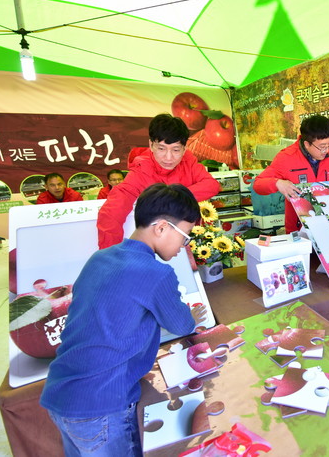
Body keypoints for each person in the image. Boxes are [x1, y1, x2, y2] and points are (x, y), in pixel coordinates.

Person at [40, 183, 207, 456]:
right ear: (161, 228)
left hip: (60, 393)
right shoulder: (155, 272)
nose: (183, 246)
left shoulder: (99, 258)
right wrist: (190, 315)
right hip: (102, 405)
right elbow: (182, 325)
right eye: (185, 236)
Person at [97, 113, 220, 249]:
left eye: (176, 150)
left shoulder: (188, 161)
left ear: (184, 148)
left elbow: (211, 185)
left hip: (190, 239)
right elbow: (111, 214)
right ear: (151, 145)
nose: (168, 158)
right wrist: (111, 254)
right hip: (157, 244)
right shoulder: (141, 170)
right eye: (161, 148)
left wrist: (171, 197)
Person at [252, 114, 329, 233]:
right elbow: (258, 184)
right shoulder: (286, 158)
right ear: (307, 144)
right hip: (299, 228)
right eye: (322, 146)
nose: (326, 150)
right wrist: (277, 183)